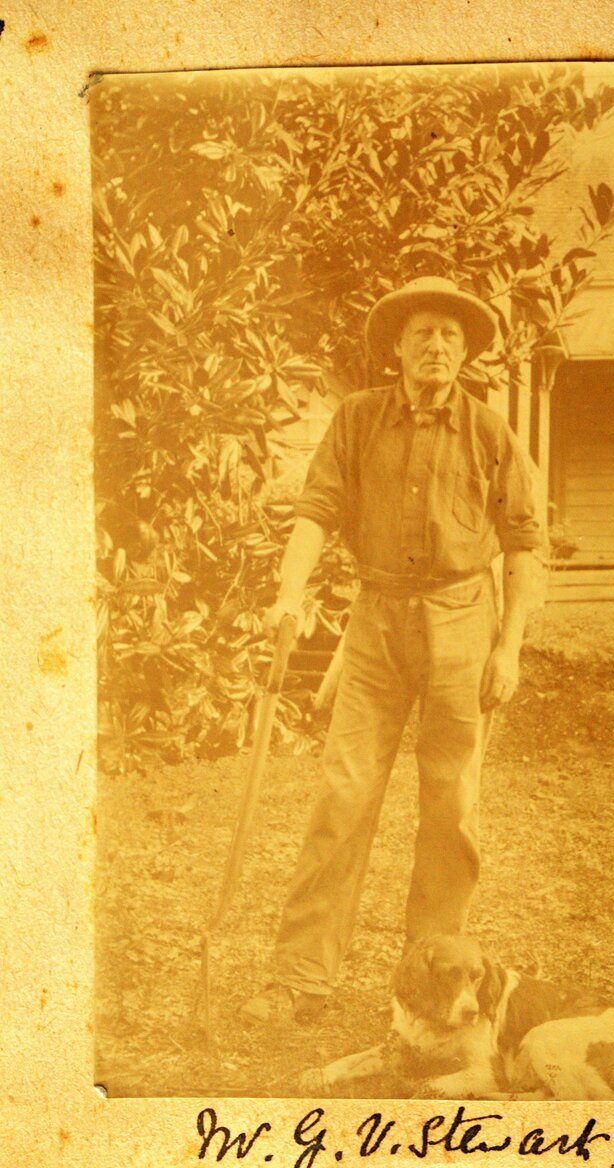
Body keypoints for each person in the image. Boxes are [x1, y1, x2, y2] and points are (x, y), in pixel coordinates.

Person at [240, 276, 544, 1025]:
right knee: (342, 796)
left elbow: (525, 544)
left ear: (467, 349)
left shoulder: (489, 433)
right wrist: (289, 591)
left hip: (462, 621)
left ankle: (434, 983)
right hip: (375, 623)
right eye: (421, 334)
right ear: (397, 348)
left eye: (449, 334)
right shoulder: (357, 419)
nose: (435, 346)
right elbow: (316, 510)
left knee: (450, 807)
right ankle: (301, 976)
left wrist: (508, 647)